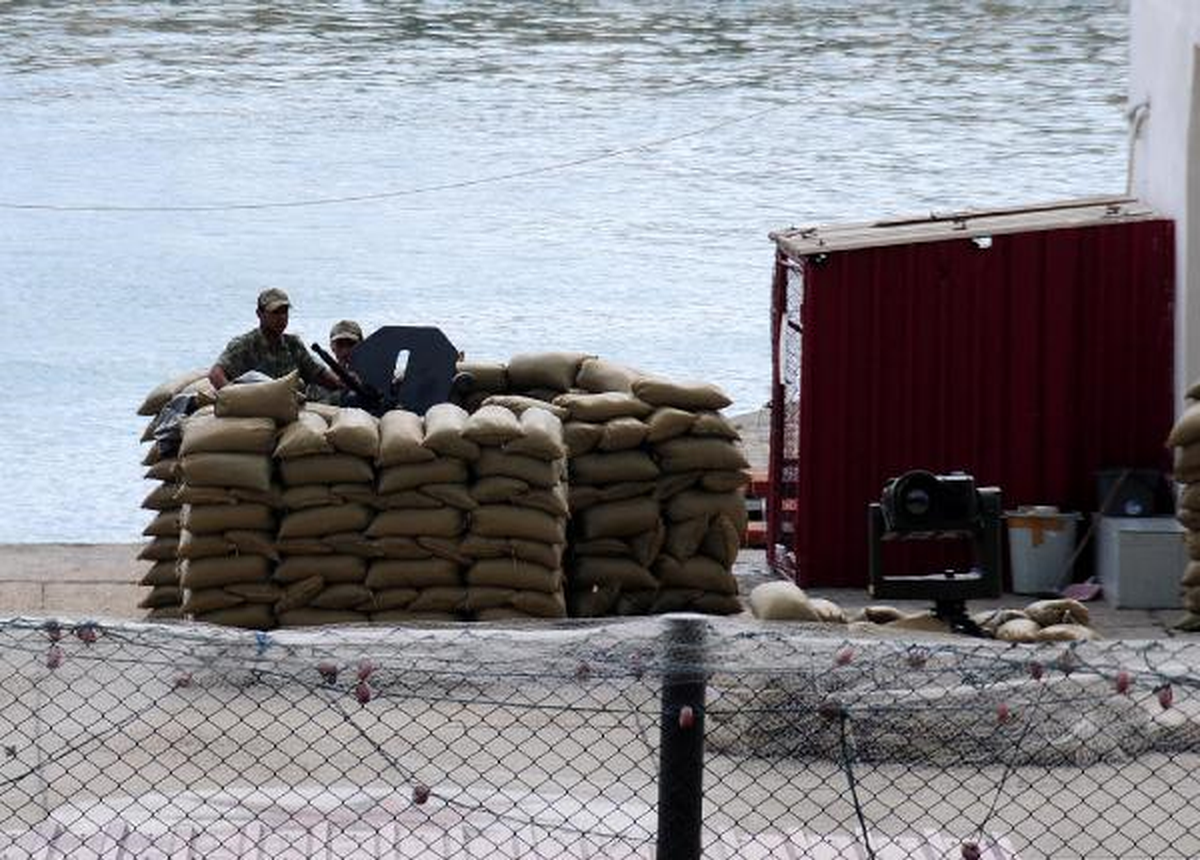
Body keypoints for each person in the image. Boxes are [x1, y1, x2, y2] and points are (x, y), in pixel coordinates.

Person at [208, 289, 342, 392]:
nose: (282, 317)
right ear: (259, 314)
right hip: (258, 410)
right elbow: (216, 374)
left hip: (291, 410)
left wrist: (343, 383)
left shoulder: (293, 345)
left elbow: (319, 374)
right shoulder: (245, 345)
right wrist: (233, 397)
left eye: (285, 312)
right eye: (275, 312)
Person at [306, 319, 364, 405]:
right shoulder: (321, 382)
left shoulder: (375, 375)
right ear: (332, 347)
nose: (345, 351)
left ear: (362, 344)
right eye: (340, 344)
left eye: (351, 344)